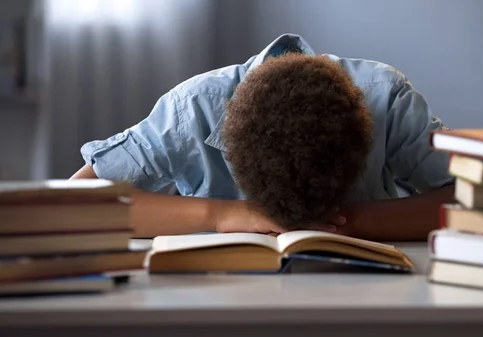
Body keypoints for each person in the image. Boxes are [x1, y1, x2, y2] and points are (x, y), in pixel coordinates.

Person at [71, 34, 454, 240]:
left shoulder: (385, 98)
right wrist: (224, 214)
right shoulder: (193, 108)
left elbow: (476, 200)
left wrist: (347, 221)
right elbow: (73, 202)